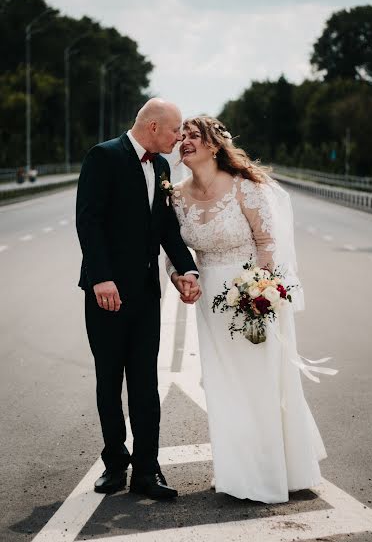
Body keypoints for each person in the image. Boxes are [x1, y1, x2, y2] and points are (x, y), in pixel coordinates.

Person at [166, 115, 334, 504]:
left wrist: (260, 293)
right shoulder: (175, 195)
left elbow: (268, 244)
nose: (186, 141)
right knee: (223, 386)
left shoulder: (245, 188)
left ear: (214, 146)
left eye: (194, 136)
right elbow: (174, 251)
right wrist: (181, 275)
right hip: (210, 303)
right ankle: (236, 472)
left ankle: (272, 473)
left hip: (251, 299)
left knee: (260, 385)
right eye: (183, 136)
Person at [76, 98, 201, 500]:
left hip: (147, 294)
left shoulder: (162, 167)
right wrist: (102, 278)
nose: (179, 137)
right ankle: (115, 465)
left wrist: (187, 270)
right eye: (174, 129)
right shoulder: (104, 156)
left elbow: (164, 228)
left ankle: (147, 471)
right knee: (109, 381)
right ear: (152, 127)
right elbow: (89, 220)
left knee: (146, 384)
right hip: (106, 294)